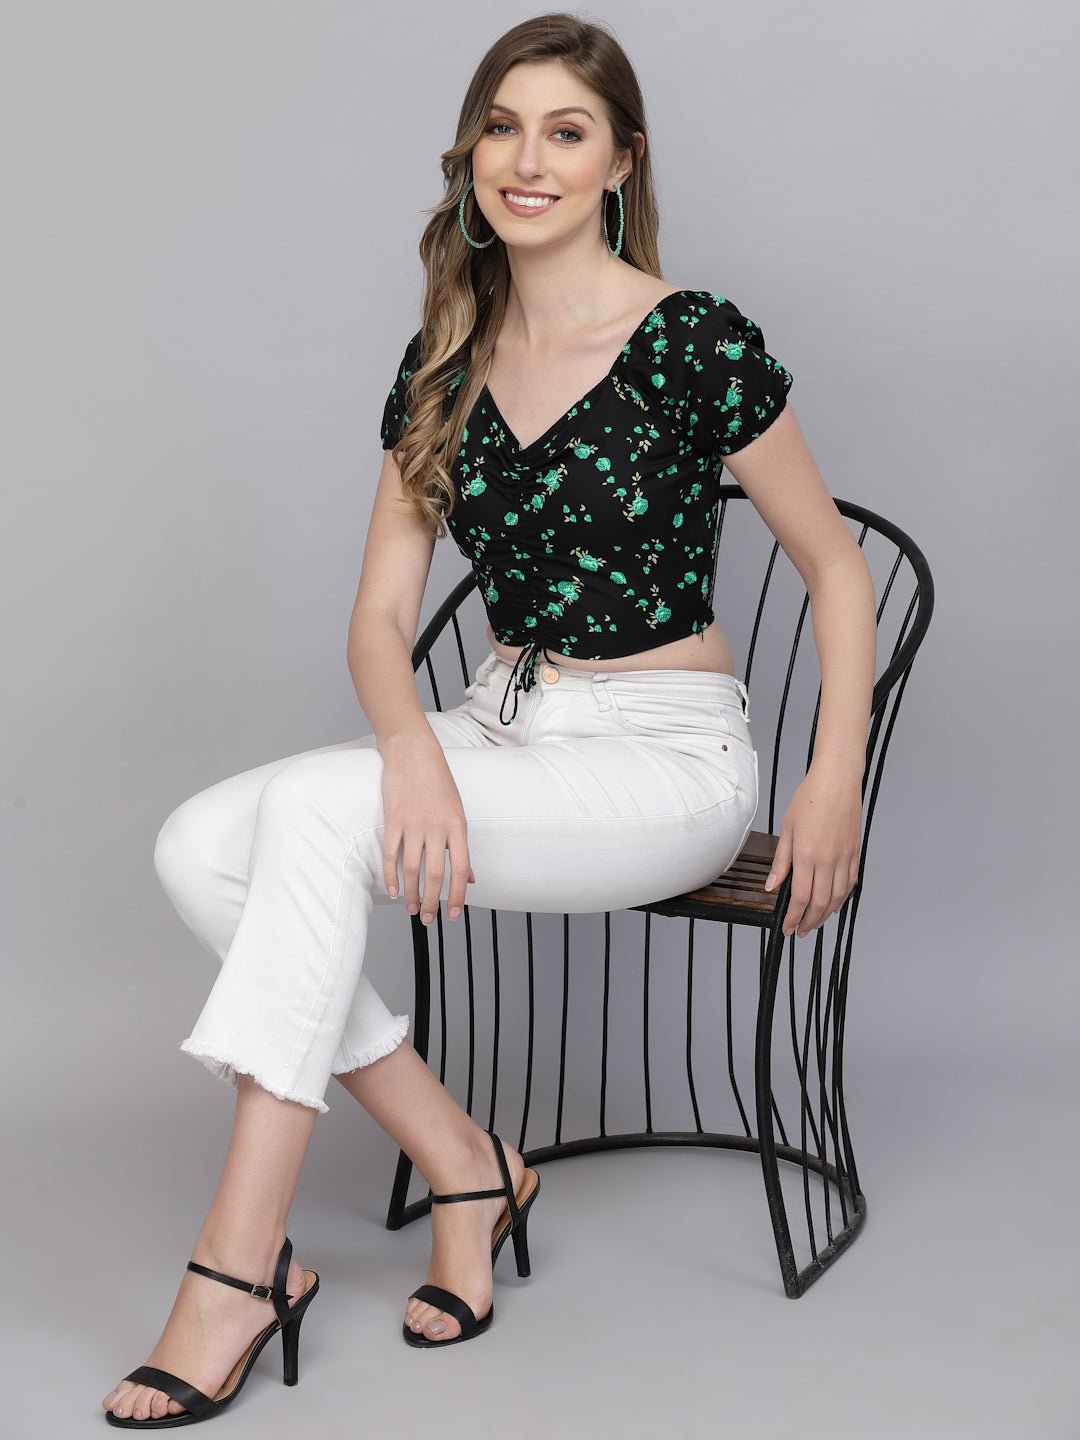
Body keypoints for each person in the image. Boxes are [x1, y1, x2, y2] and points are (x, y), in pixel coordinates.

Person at [103, 11, 876, 1427]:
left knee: (313, 822)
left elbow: (832, 567)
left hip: (662, 759)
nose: (530, 159)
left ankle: (233, 1269)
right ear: (470, 158)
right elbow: (380, 622)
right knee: (195, 843)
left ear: (619, 163)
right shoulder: (444, 357)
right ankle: (467, 1159)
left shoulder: (690, 340)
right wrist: (411, 746)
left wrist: (835, 779)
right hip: (490, 730)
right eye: (504, 128)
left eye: (566, 131)